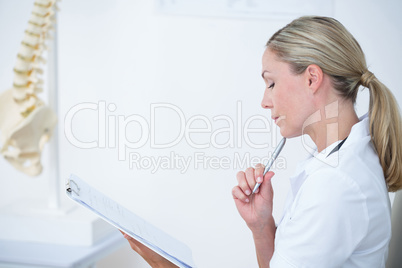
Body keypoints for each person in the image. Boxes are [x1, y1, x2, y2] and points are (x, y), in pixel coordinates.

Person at [123, 16, 402, 267]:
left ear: (312, 79)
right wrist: (261, 225)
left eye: (271, 83)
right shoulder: (340, 159)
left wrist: (164, 264)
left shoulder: (336, 184)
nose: (264, 101)